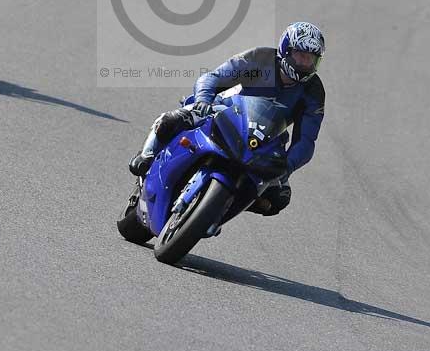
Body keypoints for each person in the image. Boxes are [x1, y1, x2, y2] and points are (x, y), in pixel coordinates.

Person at [129, 21, 326, 217]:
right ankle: (147, 154)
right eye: (301, 56)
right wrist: (203, 100)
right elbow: (213, 77)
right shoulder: (260, 58)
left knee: (278, 197)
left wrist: (288, 166)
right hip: (225, 110)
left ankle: (220, 208)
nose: (305, 64)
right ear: (285, 50)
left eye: (311, 59)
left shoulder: (314, 92)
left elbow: (306, 139)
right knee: (171, 119)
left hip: (265, 138)